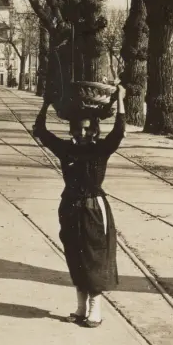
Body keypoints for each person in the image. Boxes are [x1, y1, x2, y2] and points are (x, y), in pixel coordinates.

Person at [33, 85, 126, 328]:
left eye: (87, 129)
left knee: (94, 257)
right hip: (70, 208)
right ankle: (81, 307)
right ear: (73, 130)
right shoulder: (66, 150)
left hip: (93, 208)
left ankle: (96, 309)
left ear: (94, 130)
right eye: (78, 129)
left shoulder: (100, 150)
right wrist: (46, 103)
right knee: (74, 255)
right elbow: (41, 131)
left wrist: (121, 101)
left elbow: (118, 132)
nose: (83, 133)